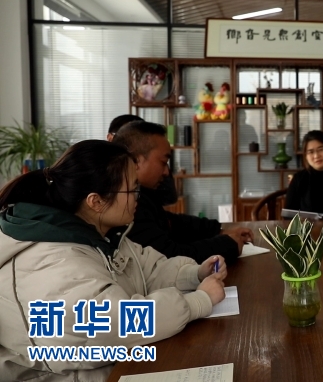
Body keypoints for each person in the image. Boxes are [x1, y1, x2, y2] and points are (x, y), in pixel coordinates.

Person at [0, 140, 227, 381]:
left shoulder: (100, 233)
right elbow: (118, 324)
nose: (138, 197)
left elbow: (147, 270)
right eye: (132, 190)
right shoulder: (53, 259)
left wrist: (194, 274)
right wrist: (199, 301)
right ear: (96, 201)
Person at [113, 121, 253, 264]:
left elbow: (173, 224)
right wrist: (228, 244)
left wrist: (219, 230)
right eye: (163, 162)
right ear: (136, 161)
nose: (166, 172)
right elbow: (170, 257)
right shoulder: (126, 204)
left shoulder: (143, 196)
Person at [107, 113, 178, 206]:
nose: (166, 172)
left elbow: (169, 198)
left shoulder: (144, 194)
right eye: (163, 162)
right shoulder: (114, 197)